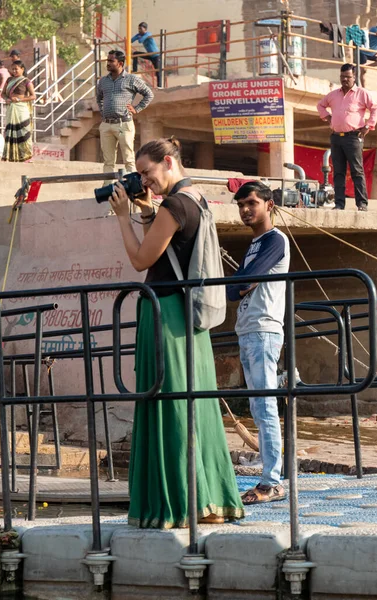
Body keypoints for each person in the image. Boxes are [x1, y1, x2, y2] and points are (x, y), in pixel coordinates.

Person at [108, 137, 244, 528]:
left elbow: (140, 260)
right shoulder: (195, 198)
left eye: (147, 173)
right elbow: (175, 251)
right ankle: (208, 501)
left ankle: (175, 505)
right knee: (193, 405)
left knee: (166, 402)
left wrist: (122, 216)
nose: (143, 182)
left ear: (168, 162)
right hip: (190, 317)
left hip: (166, 314)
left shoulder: (174, 205)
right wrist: (146, 212)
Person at [227, 181, 290, 505]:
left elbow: (243, 282)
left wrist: (241, 284)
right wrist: (240, 284)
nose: (245, 210)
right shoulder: (254, 245)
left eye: (251, 203)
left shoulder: (275, 240)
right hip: (248, 330)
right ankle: (270, 476)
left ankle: (272, 481)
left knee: (265, 408)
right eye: (241, 205)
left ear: (269, 204)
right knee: (257, 406)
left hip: (264, 330)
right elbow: (233, 289)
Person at [317, 63, 377, 211]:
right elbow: (320, 105)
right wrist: (326, 117)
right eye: (342, 76)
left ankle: (362, 204)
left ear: (354, 77)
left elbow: (375, 108)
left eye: (348, 77)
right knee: (338, 172)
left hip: (353, 137)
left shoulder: (361, 93)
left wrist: (368, 126)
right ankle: (339, 204)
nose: (345, 79)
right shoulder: (333, 95)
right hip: (336, 137)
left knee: (356, 171)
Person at [96, 50, 154, 185]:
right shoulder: (103, 81)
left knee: (128, 159)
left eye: (111, 61)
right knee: (108, 161)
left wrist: (137, 109)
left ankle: (133, 188)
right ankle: (107, 190)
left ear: (120, 63)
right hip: (106, 125)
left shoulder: (131, 79)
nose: (108, 64)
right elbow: (99, 98)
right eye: (107, 61)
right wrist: (103, 111)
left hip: (124, 123)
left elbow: (149, 94)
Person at [1, 61, 36, 162]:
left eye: (16, 69)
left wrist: (20, 100)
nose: (14, 71)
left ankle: (27, 156)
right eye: (13, 69)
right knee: (10, 131)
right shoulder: (9, 80)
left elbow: (33, 96)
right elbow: (2, 94)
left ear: (22, 69)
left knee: (23, 130)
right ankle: (11, 156)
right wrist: (6, 99)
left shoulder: (26, 81)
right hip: (11, 107)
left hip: (21, 109)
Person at [131, 22, 161, 87]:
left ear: (145, 29)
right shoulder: (139, 34)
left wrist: (138, 36)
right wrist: (137, 36)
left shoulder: (148, 34)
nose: (139, 30)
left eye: (141, 29)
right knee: (135, 54)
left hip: (156, 55)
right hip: (150, 55)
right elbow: (131, 40)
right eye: (138, 29)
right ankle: (134, 70)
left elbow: (140, 41)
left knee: (158, 71)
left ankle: (159, 86)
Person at [359, 22, 377, 87]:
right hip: (364, 52)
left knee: (364, 68)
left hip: (372, 53)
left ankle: (366, 65)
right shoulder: (374, 29)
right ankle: (364, 88)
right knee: (363, 72)